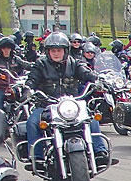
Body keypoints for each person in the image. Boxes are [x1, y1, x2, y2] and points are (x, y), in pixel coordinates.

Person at [24, 31, 110, 165]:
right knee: (32, 122)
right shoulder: (40, 64)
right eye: (53, 50)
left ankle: (99, 152)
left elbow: (85, 73)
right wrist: (28, 89)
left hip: (71, 105)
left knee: (91, 119)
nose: (56, 53)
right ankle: (37, 158)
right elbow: (32, 79)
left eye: (59, 50)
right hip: (47, 105)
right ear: (48, 51)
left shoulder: (74, 63)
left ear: (65, 50)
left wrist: (98, 80)